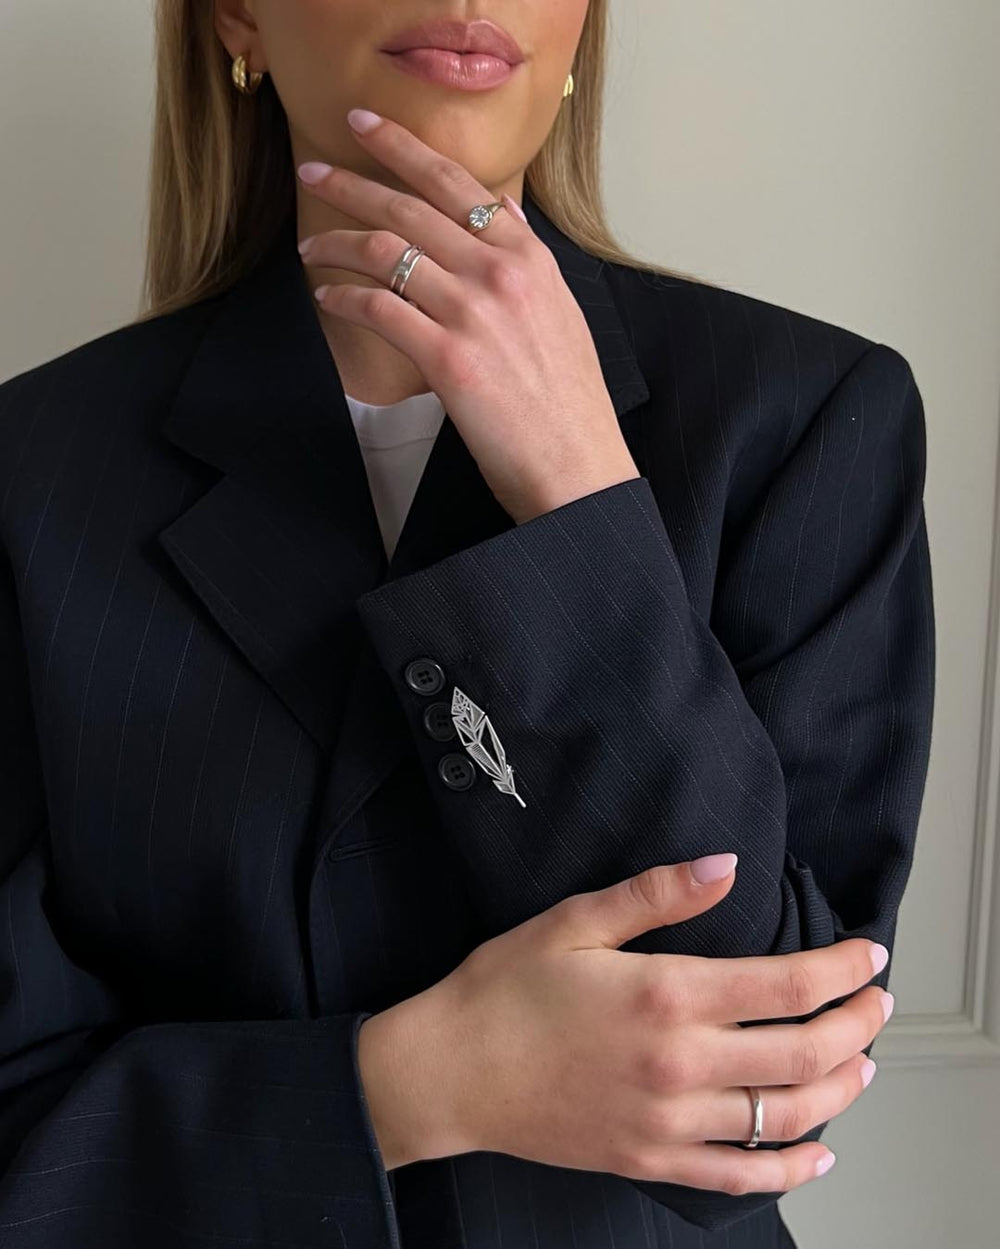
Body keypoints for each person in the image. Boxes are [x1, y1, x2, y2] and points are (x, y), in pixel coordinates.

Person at [0, 2, 934, 1247]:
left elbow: (768, 1070)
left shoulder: (810, 422)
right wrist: (407, 1088)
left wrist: (578, 499)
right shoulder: (33, 472)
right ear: (239, 17)